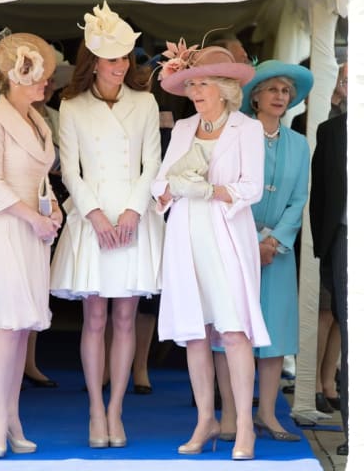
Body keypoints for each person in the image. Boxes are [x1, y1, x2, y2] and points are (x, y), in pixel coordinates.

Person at [50, 1, 164, 448]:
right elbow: (70, 169)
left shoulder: (146, 102)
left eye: (126, 58)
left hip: (134, 216)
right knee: (94, 317)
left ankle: (117, 409)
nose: (122, 66)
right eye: (113, 59)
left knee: (125, 316)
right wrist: (95, 215)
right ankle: (95, 411)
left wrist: (135, 211)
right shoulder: (72, 104)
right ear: (94, 61)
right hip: (92, 214)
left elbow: (151, 161)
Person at [151, 42, 270, 460]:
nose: (196, 91)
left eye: (204, 83)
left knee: (234, 332)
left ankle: (243, 429)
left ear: (224, 87)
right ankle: (205, 421)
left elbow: (251, 188)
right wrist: (169, 188)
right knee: (195, 333)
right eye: (192, 84)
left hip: (224, 235)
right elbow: (160, 183)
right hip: (186, 233)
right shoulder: (183, 128)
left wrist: (209, 189)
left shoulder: (247, 128)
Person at [0, 29, 62, 457]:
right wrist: (34, 218)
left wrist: (54, 210)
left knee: (23, 325)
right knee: (9, 324)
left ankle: (14, 417)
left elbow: (41, 177)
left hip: (33, 229)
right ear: (20, 76)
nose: (47, 83)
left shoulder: (38, 120)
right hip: (4, 226)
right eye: (42, 76)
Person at [215, 60, 313, 443]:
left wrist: (273, 242)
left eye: (286, 91)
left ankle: (269, 415)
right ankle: (229, 415)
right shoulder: (236, 135)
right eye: (272, 89)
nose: (280, 96)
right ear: (254, 96)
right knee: (231, 330)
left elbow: (299, 198)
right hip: (237, 244)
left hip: (278, 252)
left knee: (273, 335)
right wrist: (249, 240)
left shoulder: (299, 144)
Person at [23, 46, 75, 389]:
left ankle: (31, 360)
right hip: (23, 203)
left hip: (56, 205)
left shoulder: (56, 117)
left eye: (53, 80)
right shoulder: (16, 115)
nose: (50, 85)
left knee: (41, 284)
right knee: (23, 284)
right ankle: (22, 362)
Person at [310, 112, 348, 456]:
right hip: (344, 241)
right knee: (348, 332)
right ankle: (355, 432)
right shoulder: (331, 130)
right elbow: (319, 192)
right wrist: (323, 248)